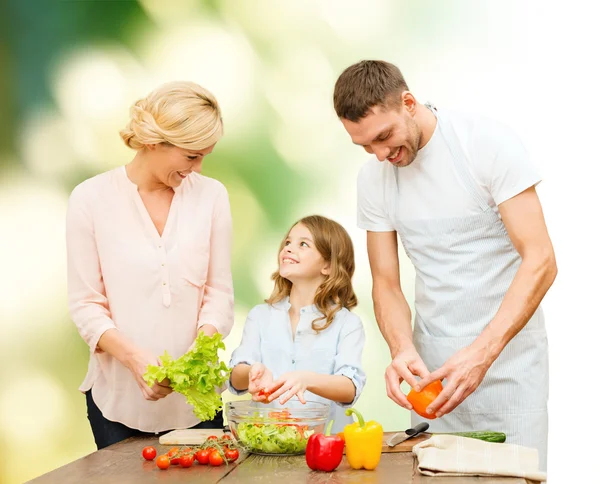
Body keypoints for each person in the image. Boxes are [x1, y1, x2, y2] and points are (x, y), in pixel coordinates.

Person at [333, 60, 556, 467]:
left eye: (384, 136)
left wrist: (481, 356)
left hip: (510, 368)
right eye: (365, 146)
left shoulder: (486, 144)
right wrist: (400, 349)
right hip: (431, 377)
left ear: (409, 102)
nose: (380, 155)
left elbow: (541, 259)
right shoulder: (374, 178)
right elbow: (385, 283)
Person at [66, 81, 234, 449]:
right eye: (191, 156)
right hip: (117, 405)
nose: (198, 167)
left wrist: (201, 349)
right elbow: (86, 304)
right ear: (155, 142)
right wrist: (135, 359)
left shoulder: (212, 196)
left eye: (205, 155)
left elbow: (219, 293)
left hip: (196, 405)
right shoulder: (90, 199)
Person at [228, 215, 366, 434]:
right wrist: (252, 372)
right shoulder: (260, 316)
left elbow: (349, 387)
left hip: (326, 444)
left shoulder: (347, 324)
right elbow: (236, 377)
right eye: (287, 242)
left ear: (328, 266)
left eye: (303, 244)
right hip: (268, 440)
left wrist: (307, 379)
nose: (288, 249)